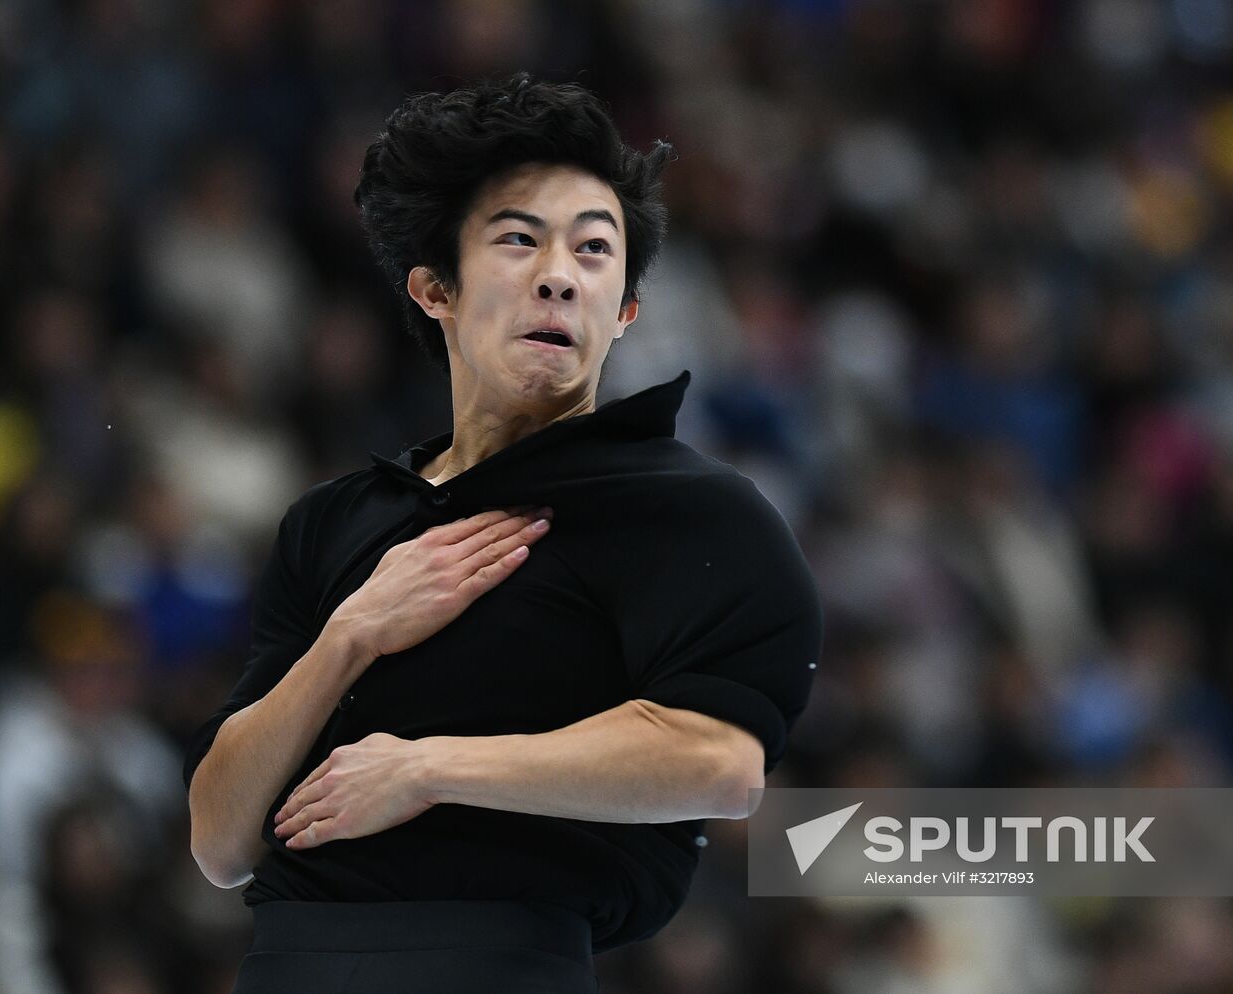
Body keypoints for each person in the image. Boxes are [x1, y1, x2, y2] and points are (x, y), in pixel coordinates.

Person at [182, 73, 823, 993]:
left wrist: (431, 770)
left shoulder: (693, 514)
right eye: (519, 239)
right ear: (436, 289)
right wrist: (351, 634)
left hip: (503, 964)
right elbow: (217, 841)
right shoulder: (332, 524)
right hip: (285, 965)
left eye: (595, 252)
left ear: (624, 314)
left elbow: (718, 765)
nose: (559, 273)